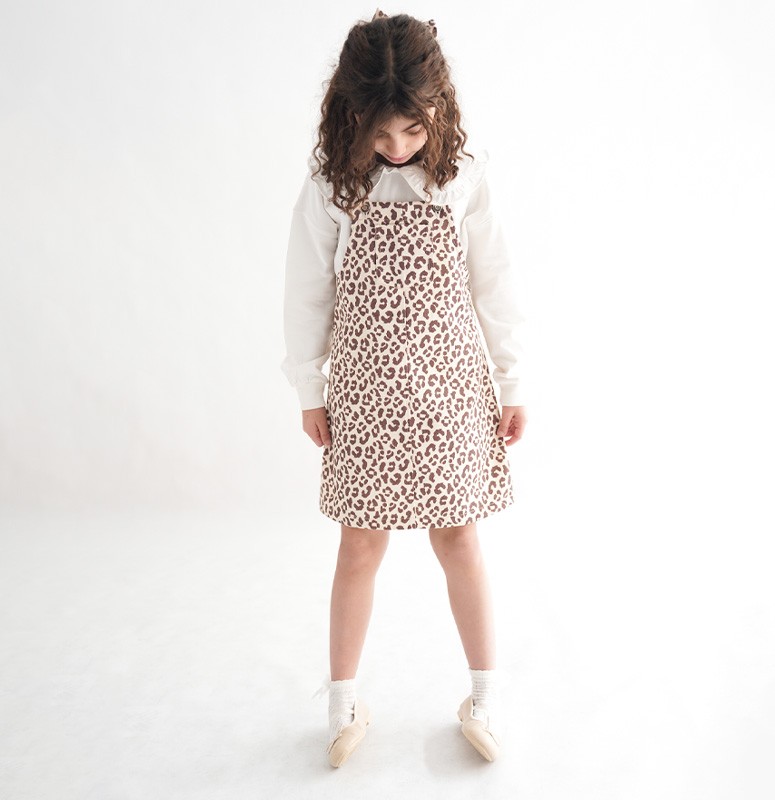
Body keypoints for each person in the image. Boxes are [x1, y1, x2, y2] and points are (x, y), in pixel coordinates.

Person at [280, 9, 527, 767]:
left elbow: (494, 282)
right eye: (379, 133)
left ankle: (484, 695)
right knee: (360, 544)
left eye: (412, 131)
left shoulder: (462, 178)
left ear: (438, 111)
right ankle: (342, 701)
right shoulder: (333, 185)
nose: (395, 148)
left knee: (460, 538)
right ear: (350, 116)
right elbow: (307, 292)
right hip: (365, 394)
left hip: (450, 389)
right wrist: (310, 388)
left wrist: (512, 380)